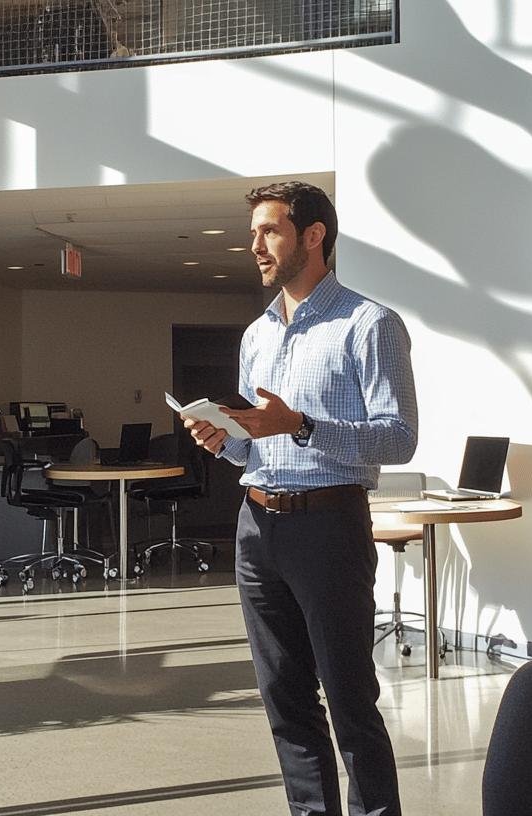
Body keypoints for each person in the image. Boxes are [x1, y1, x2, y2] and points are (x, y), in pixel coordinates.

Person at [184, 181, 418, 816]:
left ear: (313, 236)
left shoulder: (369, 324)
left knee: (348, 700)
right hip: (256, 525)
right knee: (283, 698)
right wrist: (225, 437)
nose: (253, 245)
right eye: (254, 232)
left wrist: (302, 424)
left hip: (329, 526)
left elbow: (399, 441)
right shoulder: (257, 334)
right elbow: (254, 442)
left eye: (269, 231)